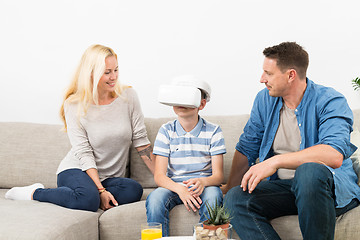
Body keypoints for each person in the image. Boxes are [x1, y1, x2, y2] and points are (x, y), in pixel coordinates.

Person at [222, 42, 360, 240]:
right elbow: (247, 147)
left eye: (268, 73)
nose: (262, 79)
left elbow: (333, 154)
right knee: (236, 198)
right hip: (284, 189)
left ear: (290, 75)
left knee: (309, 171)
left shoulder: (331, 101)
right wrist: (228, 188)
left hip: (325, 190)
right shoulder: (264, 100)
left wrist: (274, 161)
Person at [5, 44, 155, 212]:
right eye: (107, 72)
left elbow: (141, 141)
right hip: (78, 170)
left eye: (116, 70)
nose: (114, 77)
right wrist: (101, 191)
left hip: (109, 178)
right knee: (88, 201)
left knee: (133, 189)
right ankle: (35, 193)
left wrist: (163, 178)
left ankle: (85, 195)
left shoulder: (128, 96)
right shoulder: (74, 104)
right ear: (91, 73)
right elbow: (84, 152)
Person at [146, 76, 226, 236]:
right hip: (173, 186)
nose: (182, 102)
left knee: (214, 196)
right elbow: (159, 176)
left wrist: (203, 181)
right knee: (155, 199)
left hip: (204, 185)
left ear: (201, 104)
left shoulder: (214, 131)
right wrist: (180, 190)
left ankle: (206, 238)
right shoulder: (166, 131)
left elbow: (218, 176)